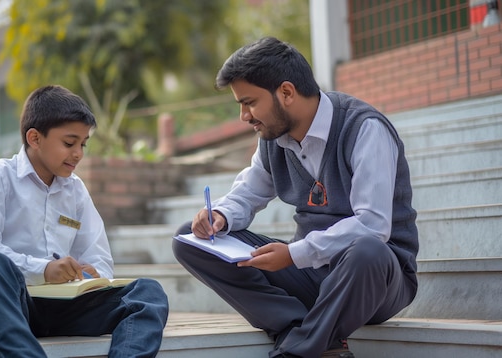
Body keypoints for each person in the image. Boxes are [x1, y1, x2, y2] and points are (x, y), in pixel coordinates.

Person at [172, 37, 418, 358]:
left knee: (367, 250)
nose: (244, 116)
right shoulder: (274, 139)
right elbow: (246, 194)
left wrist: (294, 254)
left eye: (249, 103)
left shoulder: (364, 129)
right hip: (310, 273)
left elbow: (373, 226)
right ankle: (296, 324)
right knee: (189, 240)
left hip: (375, 281)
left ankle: (297, 350)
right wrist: (220, 217)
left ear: (286, 93)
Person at [0, 85, 169, 358]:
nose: (78, 154)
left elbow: (100, 258)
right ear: (35, 138)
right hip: (14, 306)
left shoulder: (76, 190)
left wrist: (92, 274)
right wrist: (44, 269)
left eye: (83, 144)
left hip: (69, 307)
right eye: (69, 143)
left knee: (148, 293)